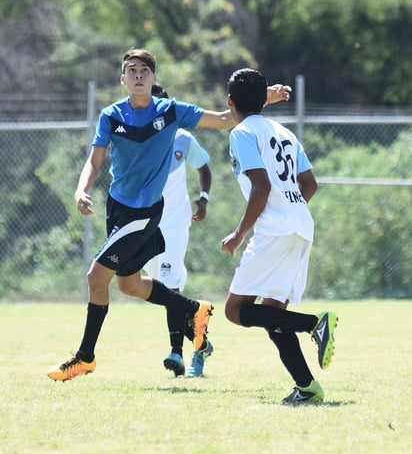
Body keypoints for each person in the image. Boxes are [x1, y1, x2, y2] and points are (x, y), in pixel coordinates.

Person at [47, 49, 290, 382]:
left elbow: (222, 120)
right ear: (122, 79)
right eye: (131, 70)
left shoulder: (171, 111)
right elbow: (94, 161)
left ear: (153, 78)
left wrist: (263, 98)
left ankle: (84, 357)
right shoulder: (111, 115)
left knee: (95, 278)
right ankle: (194, 309)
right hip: (118, 207)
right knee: (130, 284)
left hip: (145, 211)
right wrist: (81, 188)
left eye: (144, 70)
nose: (138, 75)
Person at [221, 67, 338, 404]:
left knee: (235, 310)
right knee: (274, 315)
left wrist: (240, 233)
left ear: (230, 101)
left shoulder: (242, 132)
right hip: (300, 223)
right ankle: (307, 387)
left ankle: (315, 323)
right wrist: (291, 209)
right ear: (264, 99)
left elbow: (261, 185)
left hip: (274, 229)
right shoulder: (284, 131)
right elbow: (310, 184)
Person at [144, 84, 213, 378]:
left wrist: (204, 198)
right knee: (155, 288)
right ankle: (201, 339)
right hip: (145, 222)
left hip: (173, 221)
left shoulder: (182, 138)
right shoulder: (135, 141)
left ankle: (178, 354)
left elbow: (204, 167)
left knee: (170, 287)